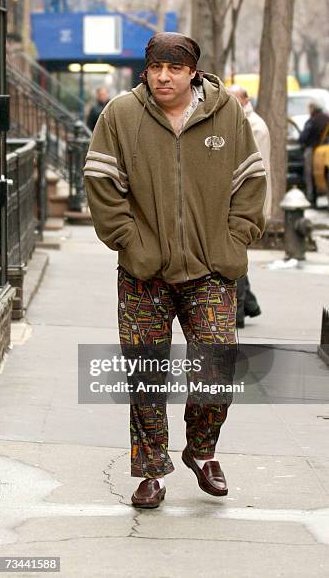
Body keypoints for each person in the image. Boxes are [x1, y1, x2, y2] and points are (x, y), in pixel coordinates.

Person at [83, 32, 266, 509]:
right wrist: (132, 244)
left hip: (210, 269)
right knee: (146, 376)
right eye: (156, 68)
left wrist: (234, 239)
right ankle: (150, 471)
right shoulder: (120, 115)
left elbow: (250, 180)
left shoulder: (226, 114)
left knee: (217, 361)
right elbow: (101, 183)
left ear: (193, 72)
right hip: (144, 274)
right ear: (146, 70)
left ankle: (202, 451)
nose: (164, 77)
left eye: (175, 68)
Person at [228, 84, 271, 329]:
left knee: (236, 254)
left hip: (248, 201)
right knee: (236, 252)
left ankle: (240, 310)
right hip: (242, 199)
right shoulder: (240, 121)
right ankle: (250, 304)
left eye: (235, 98)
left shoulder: (254, 126)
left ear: (245, 100)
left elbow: (256, 171)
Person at [299, 101, 329, 206]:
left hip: (312, 150)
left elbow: (303, 138)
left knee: (309, 174)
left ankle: (311, 197)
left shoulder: (312, 120)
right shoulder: (326, 118)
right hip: (324, 151)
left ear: (312, 108)